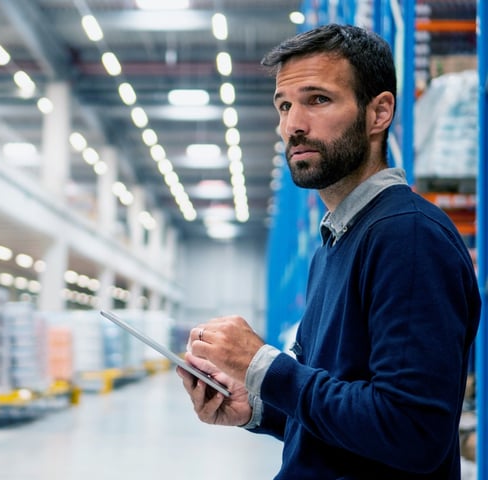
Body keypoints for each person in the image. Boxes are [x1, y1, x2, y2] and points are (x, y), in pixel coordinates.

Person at [176, 23, 481, 479]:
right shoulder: (334, 244)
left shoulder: (407, 237)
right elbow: (344, 413)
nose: (293, 124)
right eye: (284, 105)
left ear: (378, 113)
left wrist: (264, 365)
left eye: (318, 100)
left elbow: (411, 432)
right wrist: (256, 408)